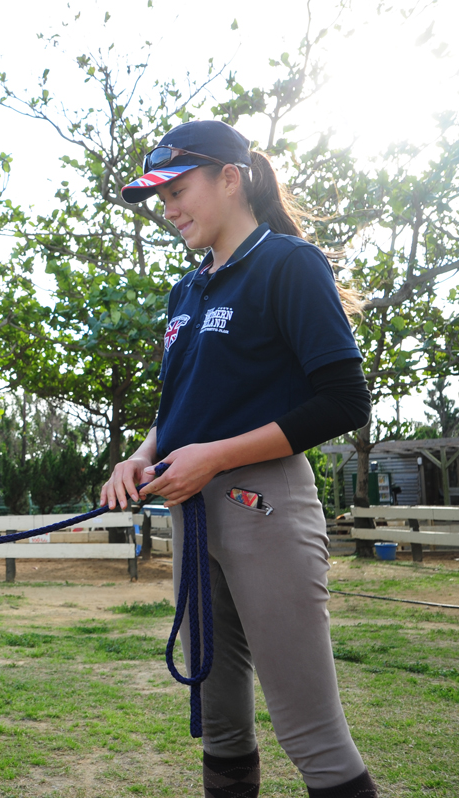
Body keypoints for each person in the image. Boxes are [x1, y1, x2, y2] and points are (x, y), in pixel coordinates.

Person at [102, 120, 377, 798]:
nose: (168, 211)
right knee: (222, 726)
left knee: (310, 732)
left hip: (266, 508)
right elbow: (182, 412)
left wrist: (214, 458)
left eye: (178, 191)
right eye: (159, 199)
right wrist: (137, 459)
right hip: (194, 517)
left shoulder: (288, 264)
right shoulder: (186, 292)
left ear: (232, 177)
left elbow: (345, 401)